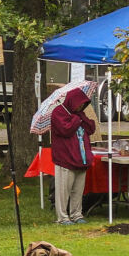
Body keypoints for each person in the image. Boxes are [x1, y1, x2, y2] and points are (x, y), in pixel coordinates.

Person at [49, 83, 97, 224]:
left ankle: (77, 214)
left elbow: (90, 128)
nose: (80, 108)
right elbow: (66, 129)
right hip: (65, 158)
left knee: (78, 190)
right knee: (63, 190)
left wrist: (80, 116)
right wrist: (77, 119)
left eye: (83, 105)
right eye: (79, 105)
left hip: (80, 158)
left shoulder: (78, 114)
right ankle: (62, 217)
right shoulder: (58, 113)